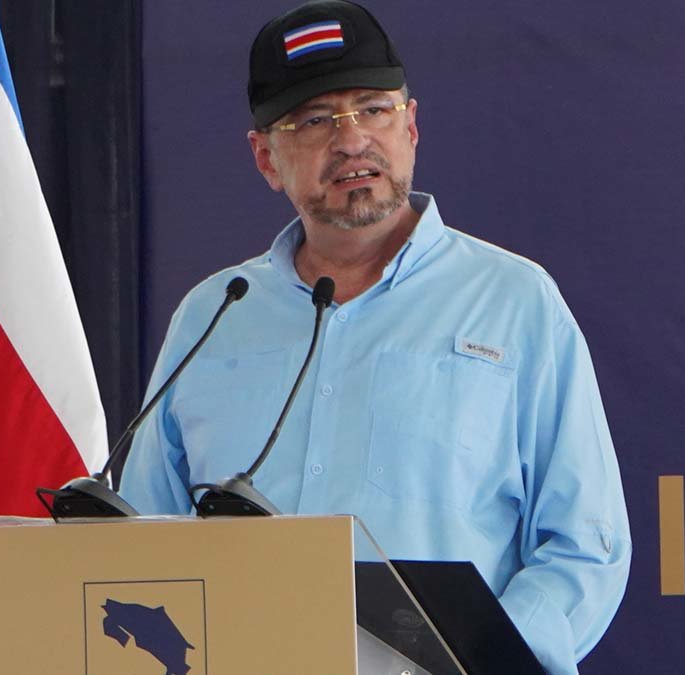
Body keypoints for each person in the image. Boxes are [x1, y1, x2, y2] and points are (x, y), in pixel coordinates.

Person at [119, 2, 630, 673]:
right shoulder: (214, 314)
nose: (351, 139)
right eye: (313, 119)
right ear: (265, 158)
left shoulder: (514, 302)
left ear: (411, 125)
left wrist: (488, 655)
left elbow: (584, 546)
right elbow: (143, 544)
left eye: (373, 109)